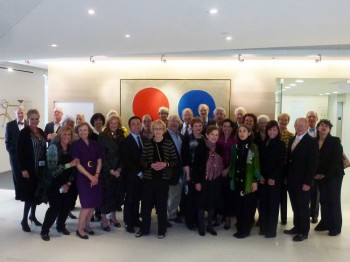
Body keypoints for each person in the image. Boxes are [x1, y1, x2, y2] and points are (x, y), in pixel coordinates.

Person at [136, 120, 178, 239]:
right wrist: (150, 165)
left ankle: (162, 230)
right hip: (149, 179)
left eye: (160, 129)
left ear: (163, 130)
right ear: (153, 130)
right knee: (146, 205)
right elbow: (142, 160)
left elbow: (175, 161)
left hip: (163, 179)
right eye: (155, 129)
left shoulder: (169, 143)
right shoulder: (148, 143)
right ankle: (144, 229)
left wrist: (166, 165)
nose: (158, 131)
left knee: (161, 206)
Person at [40, 126, 78, 241]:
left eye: (69, 135)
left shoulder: (71, 148)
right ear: (59, 135)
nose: (66, 137)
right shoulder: (53, 148)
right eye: (64, 134)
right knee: (55, 207)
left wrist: (69, 183)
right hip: (54, 183)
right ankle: (45, 230)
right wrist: (68, 165)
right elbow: (52, 171)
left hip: (67, 183)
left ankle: (60, 226)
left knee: (66, 206)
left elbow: (74, 169)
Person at [284, 117, 319, 242]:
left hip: (303, 181)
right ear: (294, 126)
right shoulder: (293, 138)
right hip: (292, 180)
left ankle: (304, 232)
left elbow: (313, 164)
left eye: (302, 126)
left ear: (306, 127)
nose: (299, 127)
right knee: (295, 206)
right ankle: (297, 226)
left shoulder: (311, 141)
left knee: (303, 207)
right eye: (297, 125)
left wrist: (307, 182)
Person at [228, 124, 261, 239]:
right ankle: (240, 228)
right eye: (240, 131)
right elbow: (232, 164)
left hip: (248, 181)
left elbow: (256, 165)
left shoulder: (253, 147)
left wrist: (255, 180)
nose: (242, 133)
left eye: (244, 131)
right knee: (238, 206)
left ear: (249, 133)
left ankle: (246, 229)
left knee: (248, 206)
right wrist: (231, 178)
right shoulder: (234, 147)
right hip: (237, 180)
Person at [17, 109, 46, 232]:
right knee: (29, 196)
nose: (34, 121)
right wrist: (23, 169)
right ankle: (24, 220)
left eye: (36, 118)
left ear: (39, 119)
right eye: (32, 119)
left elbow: (45, 145)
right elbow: (19, 152)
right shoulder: (24, 133)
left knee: (36, 193)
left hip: (40, 169)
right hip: (29, 170)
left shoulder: (40, 131)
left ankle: (32, 216)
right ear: (28, 119)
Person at [72, 122, 102, 239]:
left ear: (88, 131)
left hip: (95, 175)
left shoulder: (95, 144)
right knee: (86, 204)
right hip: (83, 177)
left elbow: (99, 160)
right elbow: (77, 164)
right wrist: (90, 177)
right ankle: (79, 228)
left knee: (93, 203)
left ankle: (87, 225)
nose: (83, 132)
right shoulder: (75, 145)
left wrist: (97, 175)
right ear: (78, 132)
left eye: (85, 130)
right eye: (80, 130)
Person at [314, 119, 344, 236]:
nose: (324, 127)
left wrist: (324, 174)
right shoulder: (314, 141)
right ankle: (325, 223)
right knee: (323, 200)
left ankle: (336, 226)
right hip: (320, 176)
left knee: (333, 200)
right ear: (318, 128)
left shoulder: (335, 141)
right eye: (322, 125)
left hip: (333, 176)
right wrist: (316, 174)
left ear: (330, 129)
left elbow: (335, 161)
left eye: (327, 126)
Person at [193, 125, 224, 236]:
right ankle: (201, 227)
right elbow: (195, 167)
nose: (214, 137)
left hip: (215, 180)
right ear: (206, 135)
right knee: (201, 204)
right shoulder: (200, 148)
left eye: (216, 135)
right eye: (212, 134)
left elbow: (221, 164)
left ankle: (210, 226)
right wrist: (197, 182)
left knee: (212, 204)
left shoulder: (219, 147)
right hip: (203, 180)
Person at [98, 115, 125, 231]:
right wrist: (110, 170)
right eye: (111, 123)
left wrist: (119, 169)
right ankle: (103, 219)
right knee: (106, 196)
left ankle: (113, 217)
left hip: (118, 172)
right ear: (108, 124)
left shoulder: (121, 135)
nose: (114, 125)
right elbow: (101, 156)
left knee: (116, 195)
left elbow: (124, 154)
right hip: (106, 172)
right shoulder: (102, 136)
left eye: (116, 123)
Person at [258, 120, 285, 238]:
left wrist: (273, 177)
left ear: (278, 131)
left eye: (274, 129)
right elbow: (260, 162)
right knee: (263, 204)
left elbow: (281, 164)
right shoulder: (264, 143)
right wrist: (261, 176)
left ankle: (271, 230)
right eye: (270, 129)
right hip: (263, 179)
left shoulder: (280, 144)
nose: (272, 132)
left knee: (273, 205)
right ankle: (263, 228)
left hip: (274, 179)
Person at [181, 117, 205, 231]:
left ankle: (197, 219)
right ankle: (189, 221)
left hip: (201, 172)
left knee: (199, 197)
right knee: (189, 197)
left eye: (200, 126)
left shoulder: (204, 138)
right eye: (196, 126)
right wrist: (188, 174)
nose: (198, 128)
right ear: (192, 127)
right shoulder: (187, 139)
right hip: (189, 171)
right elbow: (184, 156)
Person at [120, 116, 143, 233]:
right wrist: (139, 172)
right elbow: (127, 161)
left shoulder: (143, 138)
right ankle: (128, 222)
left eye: (138, 123)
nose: (136, 126)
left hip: (142, 176)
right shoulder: (126, 141)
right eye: (133, 124)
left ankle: (135, 218)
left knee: (137, 198)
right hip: (131, 176)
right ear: (130, 127)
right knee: (129, 199)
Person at [217, 119, 236, 229]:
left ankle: (228, 218)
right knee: (219, 194)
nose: (227, 128)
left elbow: (236, 157)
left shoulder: (235, 139)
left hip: (230, 171)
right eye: (225, 126)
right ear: (222, 127)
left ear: (232, 128)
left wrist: (228, 169)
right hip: (218, 171)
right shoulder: (218, 137)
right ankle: (220, 215)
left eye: (229, 126)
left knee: (229, 195)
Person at [164, 115, 183, 225]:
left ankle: (172, 215)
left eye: (176, 121)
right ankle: (165, 216)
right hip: (168, 170)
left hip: (179, 170)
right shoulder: (163, 135)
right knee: (167, 195)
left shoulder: (181, 136)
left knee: (176, 194)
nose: (174, 123)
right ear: (168, 122)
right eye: (172, 121)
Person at [5, 106, 27, 200]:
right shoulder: (9, 125)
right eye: (18, 113)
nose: (20, 114)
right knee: (16, 175)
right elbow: (7, 142)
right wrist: (12, 153)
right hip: (14, 156)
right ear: (15, 114)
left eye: (22, 112)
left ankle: (26, 194)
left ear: (24, 113)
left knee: (26, 175)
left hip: (26, 156)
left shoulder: (28, 124)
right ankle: (18, 195)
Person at [278, 113, 294, 225]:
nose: (283, 122)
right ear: (278, 120)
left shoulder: (291, 136)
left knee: (283, 195)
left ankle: (283, 218)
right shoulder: (273, 133)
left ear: (288, 121)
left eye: (285, 120)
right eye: (281, 120)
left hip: (285, 168)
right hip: (274, 168)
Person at [306, 110, 320, 224]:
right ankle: (305, 213)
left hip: (318, 167)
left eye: (313, 117)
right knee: (305, 192)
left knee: (316, 193)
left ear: (317, 119)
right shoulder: (301, 131)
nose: (311, 118)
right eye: (309, 117)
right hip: (305, 167)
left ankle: (314, 215)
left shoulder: (321, 133)